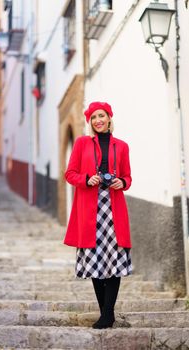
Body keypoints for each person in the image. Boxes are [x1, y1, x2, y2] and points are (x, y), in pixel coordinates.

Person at [63, 101, 132, 329]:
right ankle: (106, 313)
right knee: (95, 259)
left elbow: (128, 178)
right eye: (93, 117)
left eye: (101, 116)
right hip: (89, 208)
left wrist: (121, 181)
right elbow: (70, 174)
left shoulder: (121, 146)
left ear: (109, 118)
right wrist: (85, 179)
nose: (98, 120)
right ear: (90, 121)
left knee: (114, 258)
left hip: (113, 207)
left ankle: (108, 313)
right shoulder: (82, 143)